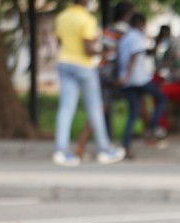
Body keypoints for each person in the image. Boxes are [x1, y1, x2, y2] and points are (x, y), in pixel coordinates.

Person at [52, 0, 125, 167]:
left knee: (66, 107)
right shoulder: (87, 19)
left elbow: (59, 42)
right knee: (95, 108)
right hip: (83, 66)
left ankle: (61, 150)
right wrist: (102, 52)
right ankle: (104, 149)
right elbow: (88, 48)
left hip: (64, 62)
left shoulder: (62, 16)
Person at [74, 1, 133, 161]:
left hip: (103, 71)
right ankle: (83, 145)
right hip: (111, 73)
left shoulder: (109, 29)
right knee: (100, 108)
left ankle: (89, 145)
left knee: (103, 107)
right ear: (127, 14)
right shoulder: (124, 30)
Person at [117, 12, 168, 159]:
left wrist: (124, 77)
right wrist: (128, 74)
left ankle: (126, 144)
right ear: (140, 24)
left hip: (128, 81)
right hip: (138, 79)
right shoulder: (136, 37)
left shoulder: (125, 37)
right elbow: (134, 56)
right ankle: (152, 127)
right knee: (161, 98)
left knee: (133, 114)